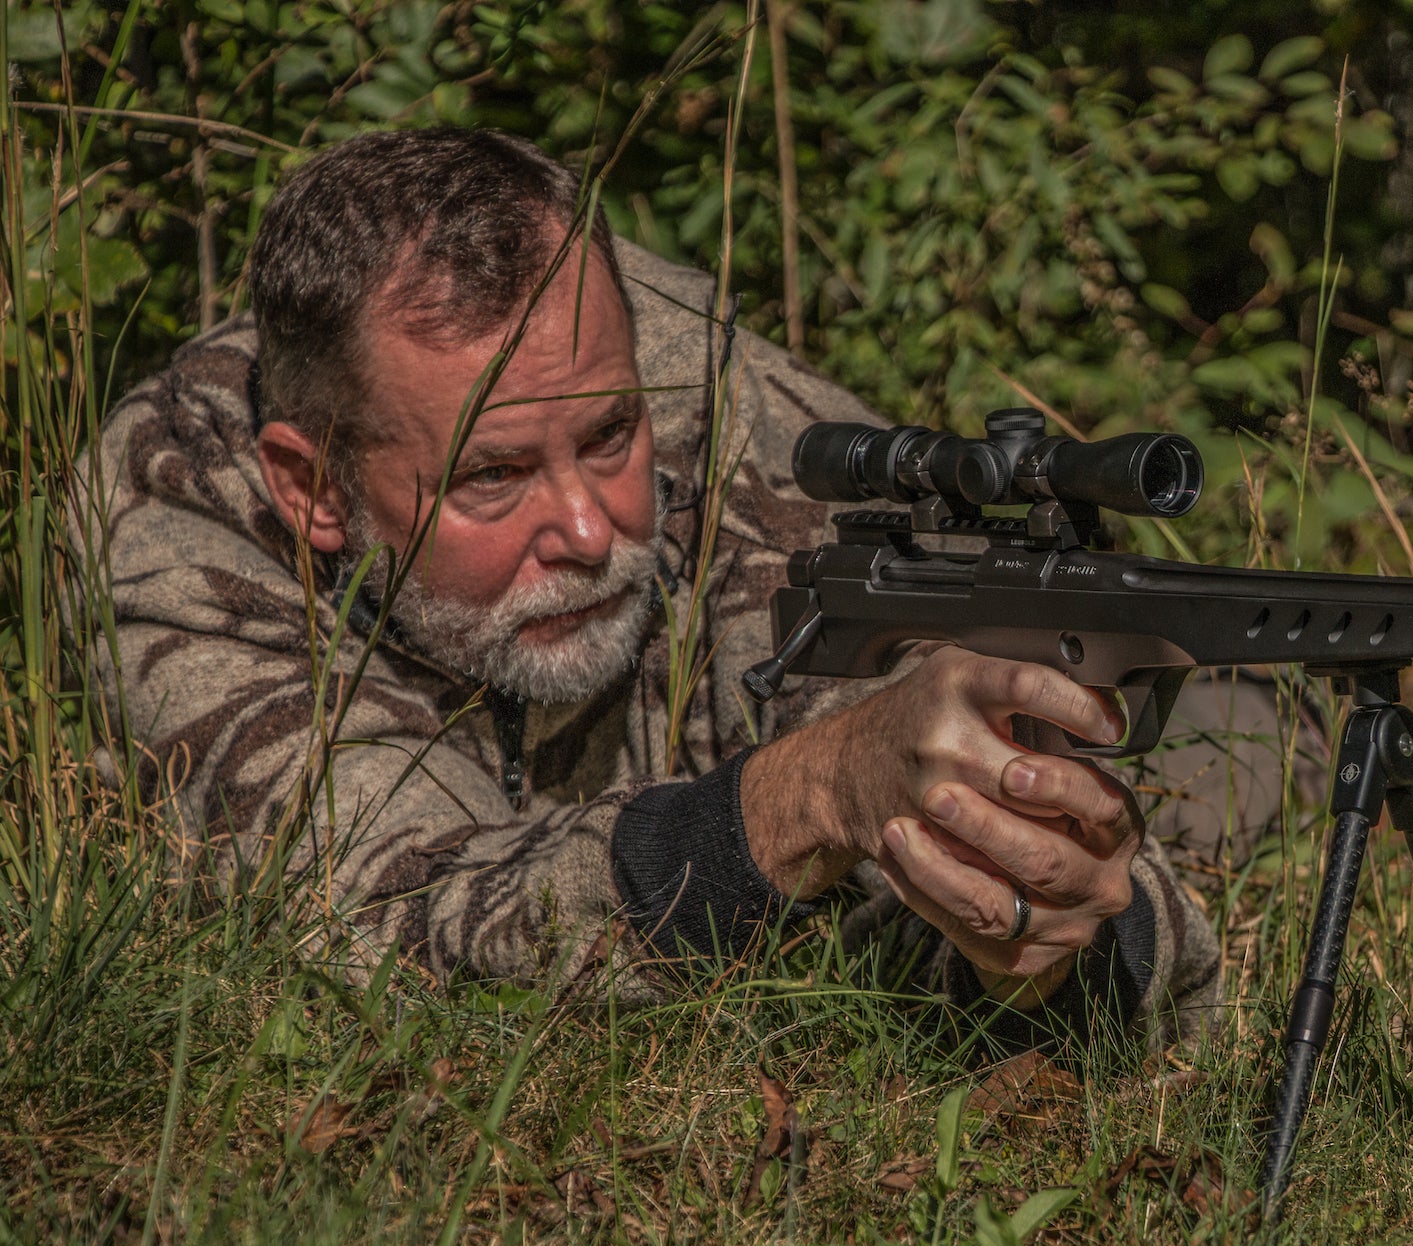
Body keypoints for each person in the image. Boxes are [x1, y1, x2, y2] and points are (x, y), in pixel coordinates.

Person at [98, 128, 1297, 1045]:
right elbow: (391, 924)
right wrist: (806, 799)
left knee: (1244, 764)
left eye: (612, 437)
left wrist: (1051, 917)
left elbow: (938, 780)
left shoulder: (709, 399)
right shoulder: (181, 523)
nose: (587, 524)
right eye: (494, 474)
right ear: (313, 490)